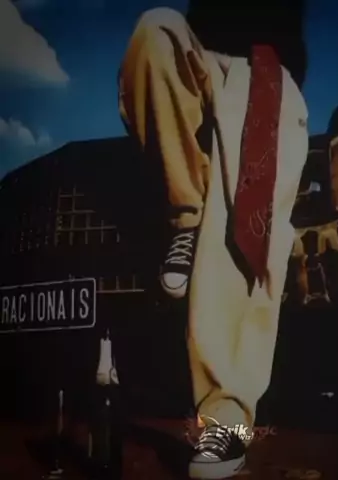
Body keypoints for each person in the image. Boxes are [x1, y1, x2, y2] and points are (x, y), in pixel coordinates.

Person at [118, 2, 308, 478]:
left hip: (264, 64)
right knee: (156, 32)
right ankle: (185, 218)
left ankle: (225, 422)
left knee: (243, 228)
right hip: (202, 53)